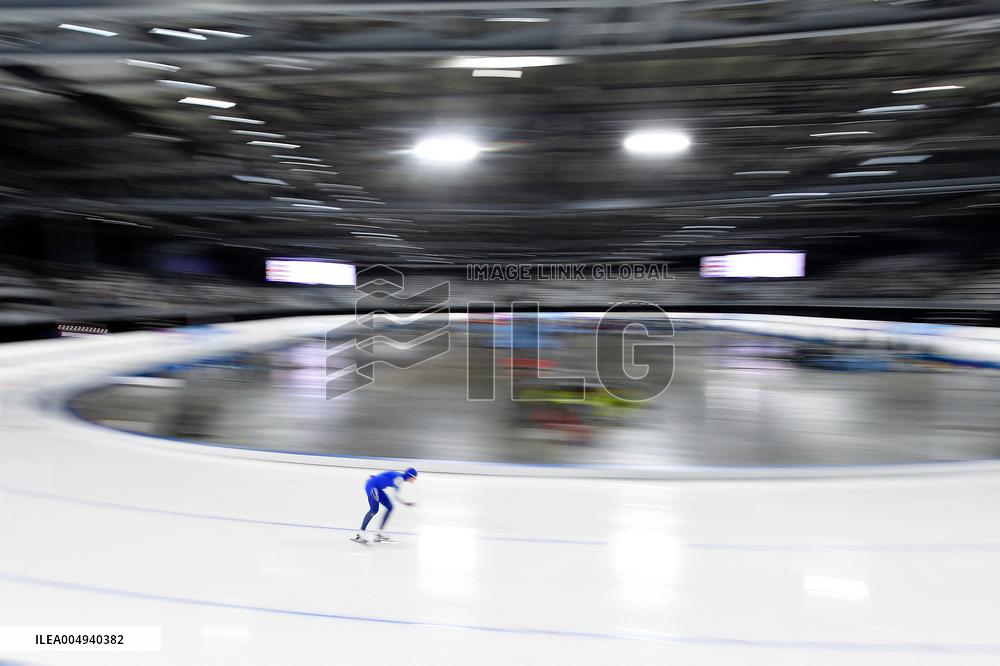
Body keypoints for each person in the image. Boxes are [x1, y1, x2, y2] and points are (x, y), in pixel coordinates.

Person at [352, 468, 417, 544]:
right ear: (410, 476)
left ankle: (379, 533)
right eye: (414, 478)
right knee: (374, 510)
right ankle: (360, 534)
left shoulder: (400, 477)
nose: (414, 480)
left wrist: (374, 476)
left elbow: (385, 474)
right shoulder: (399, 479)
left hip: (377, 488)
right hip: (372, 487)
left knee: (390, 507)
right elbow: (395, 495)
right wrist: (404, 503)